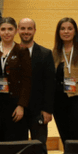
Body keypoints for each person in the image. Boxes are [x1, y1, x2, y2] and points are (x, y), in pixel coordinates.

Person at [0, 17, 32, 141]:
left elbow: (27, 80)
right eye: (3, 29)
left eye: (10, 29)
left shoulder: (22, 50)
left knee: (14, 139)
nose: (7, 32)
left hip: (14, 103)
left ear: (16, 31)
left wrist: (21, 105)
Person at [52, 17, 78, 142]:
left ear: (75, 32)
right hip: (59, 102)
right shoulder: (55, 52)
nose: (66, 32)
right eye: (63, 29)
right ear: (58, 32)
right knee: (65, 138)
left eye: (70, 29)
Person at [17, 18, 56, 147]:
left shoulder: (45, 54)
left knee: (39, 147)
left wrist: (47, 109)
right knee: (18, 146)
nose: (26, 32)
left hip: (38, 110)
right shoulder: (12, 52)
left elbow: (50, 84)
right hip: (18, 110)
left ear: (34, 30)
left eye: (29, 28)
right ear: (18, 30)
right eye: (23, 28)